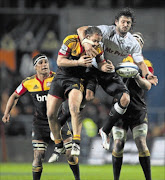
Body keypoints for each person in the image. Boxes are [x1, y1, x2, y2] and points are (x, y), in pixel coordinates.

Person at [77, 7, 158, 150]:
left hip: (108, 71)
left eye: (128, 23)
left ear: (130, 25)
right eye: (123, 21)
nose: (125, 24)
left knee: (125, 98)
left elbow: (140, 62)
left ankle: (105, 130)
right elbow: (81, 29)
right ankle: (63, 121)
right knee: (87, 97)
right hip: (93, 67)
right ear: (116, 22)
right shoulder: (105, 30)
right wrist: (85, 42)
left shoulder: (132, 43)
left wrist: (148, 75)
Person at [2, 54, 80, 180]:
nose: (44, 65)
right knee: (38, 157)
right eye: (41, 63)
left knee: (70, 154)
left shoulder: (57, 78)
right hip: (40, 124)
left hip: (58, 122)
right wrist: (7, 112)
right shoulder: (28, 82)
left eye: (46, 62)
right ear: (35, 67)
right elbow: (14, 96)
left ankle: (78, 179)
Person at [47, 26, 112, 157]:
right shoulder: (71, 41)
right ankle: (59, 142)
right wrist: (78, 62)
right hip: (61, 77)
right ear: (87, 38)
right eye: (95, 41)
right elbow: (60, 61)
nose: (97, 44)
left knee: (75, 107)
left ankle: (76, 142)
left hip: (76, 79)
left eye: (99, 41)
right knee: (50, 114)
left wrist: (106, 67)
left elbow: (101, 63)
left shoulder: (98, 48)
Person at [111, 32, 154, 180]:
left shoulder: (146, 65)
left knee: (141, 143)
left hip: (137, 110)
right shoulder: (119, 59)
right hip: (120, 109)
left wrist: (136, 75)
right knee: (118, 144)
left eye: (138, 42)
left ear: (141, 46)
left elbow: (147, 85)